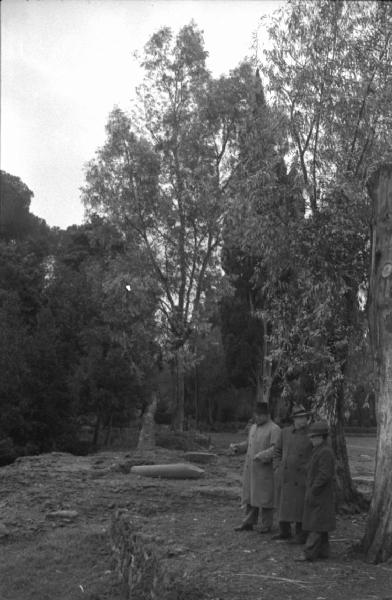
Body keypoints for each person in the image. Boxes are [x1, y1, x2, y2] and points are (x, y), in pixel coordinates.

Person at [231, 402, 280, 533]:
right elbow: (249, 443)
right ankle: (248, 522)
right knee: (250, 496)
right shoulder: (253, 427)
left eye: (260, 415)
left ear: (267, 415)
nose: (257, 417)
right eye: (256, 415)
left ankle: (266, 524)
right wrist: (238, 447)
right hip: (251, 469)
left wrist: (263, 455)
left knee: (265, 498)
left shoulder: (274, 429)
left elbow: (277, 449)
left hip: (265, 470)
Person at [296, 420, 336, 562]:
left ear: (322, 437)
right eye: (311, 436)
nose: (311, 439)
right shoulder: (319, 450)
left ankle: (309, 553)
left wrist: (314, 489)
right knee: (320, 523)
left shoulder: (325, 451)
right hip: (318, 493)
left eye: (313, 437)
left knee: (316, 524)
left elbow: (325, 474)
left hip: (320, 494)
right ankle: (323, 551)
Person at [272, 404, 313, 543]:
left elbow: (317, 453)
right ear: (294, 419)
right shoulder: (285, 432)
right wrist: (277, 467)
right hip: (285, 475)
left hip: (302, 476)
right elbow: (277, 450)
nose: (303, 420)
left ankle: (301, 534)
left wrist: (309, 469)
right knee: (283, 503)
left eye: (305, 417)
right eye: (300, 418)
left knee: (300, 506)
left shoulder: (312, 433)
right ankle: (284, 531)